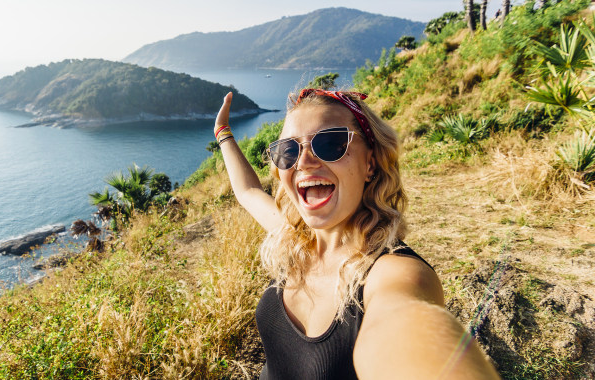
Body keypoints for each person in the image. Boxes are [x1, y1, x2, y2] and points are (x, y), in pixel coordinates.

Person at [214, 89, 500, 379]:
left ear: (370, 163)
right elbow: (248, 191)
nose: (303, 162)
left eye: (330, 143)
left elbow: (405, 327)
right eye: (288, 151)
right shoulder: (294, 238)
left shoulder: (393, 274)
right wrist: (223, 133)